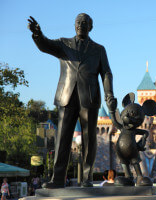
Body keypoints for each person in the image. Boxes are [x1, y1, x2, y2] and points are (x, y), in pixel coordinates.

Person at [27, 13, 117, 189]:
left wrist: (109, 95)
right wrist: (38, 35)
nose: (80, 25)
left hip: (89, 98)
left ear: (90, 27)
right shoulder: (63, 44)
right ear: (74, 25)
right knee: (62, 139)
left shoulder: (99, 49)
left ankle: (86, 178)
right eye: (78, 22)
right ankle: (58, 179)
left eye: (84, 23)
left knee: (89, 139)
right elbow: (45, 46)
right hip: (66, 96)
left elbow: (106, 73)